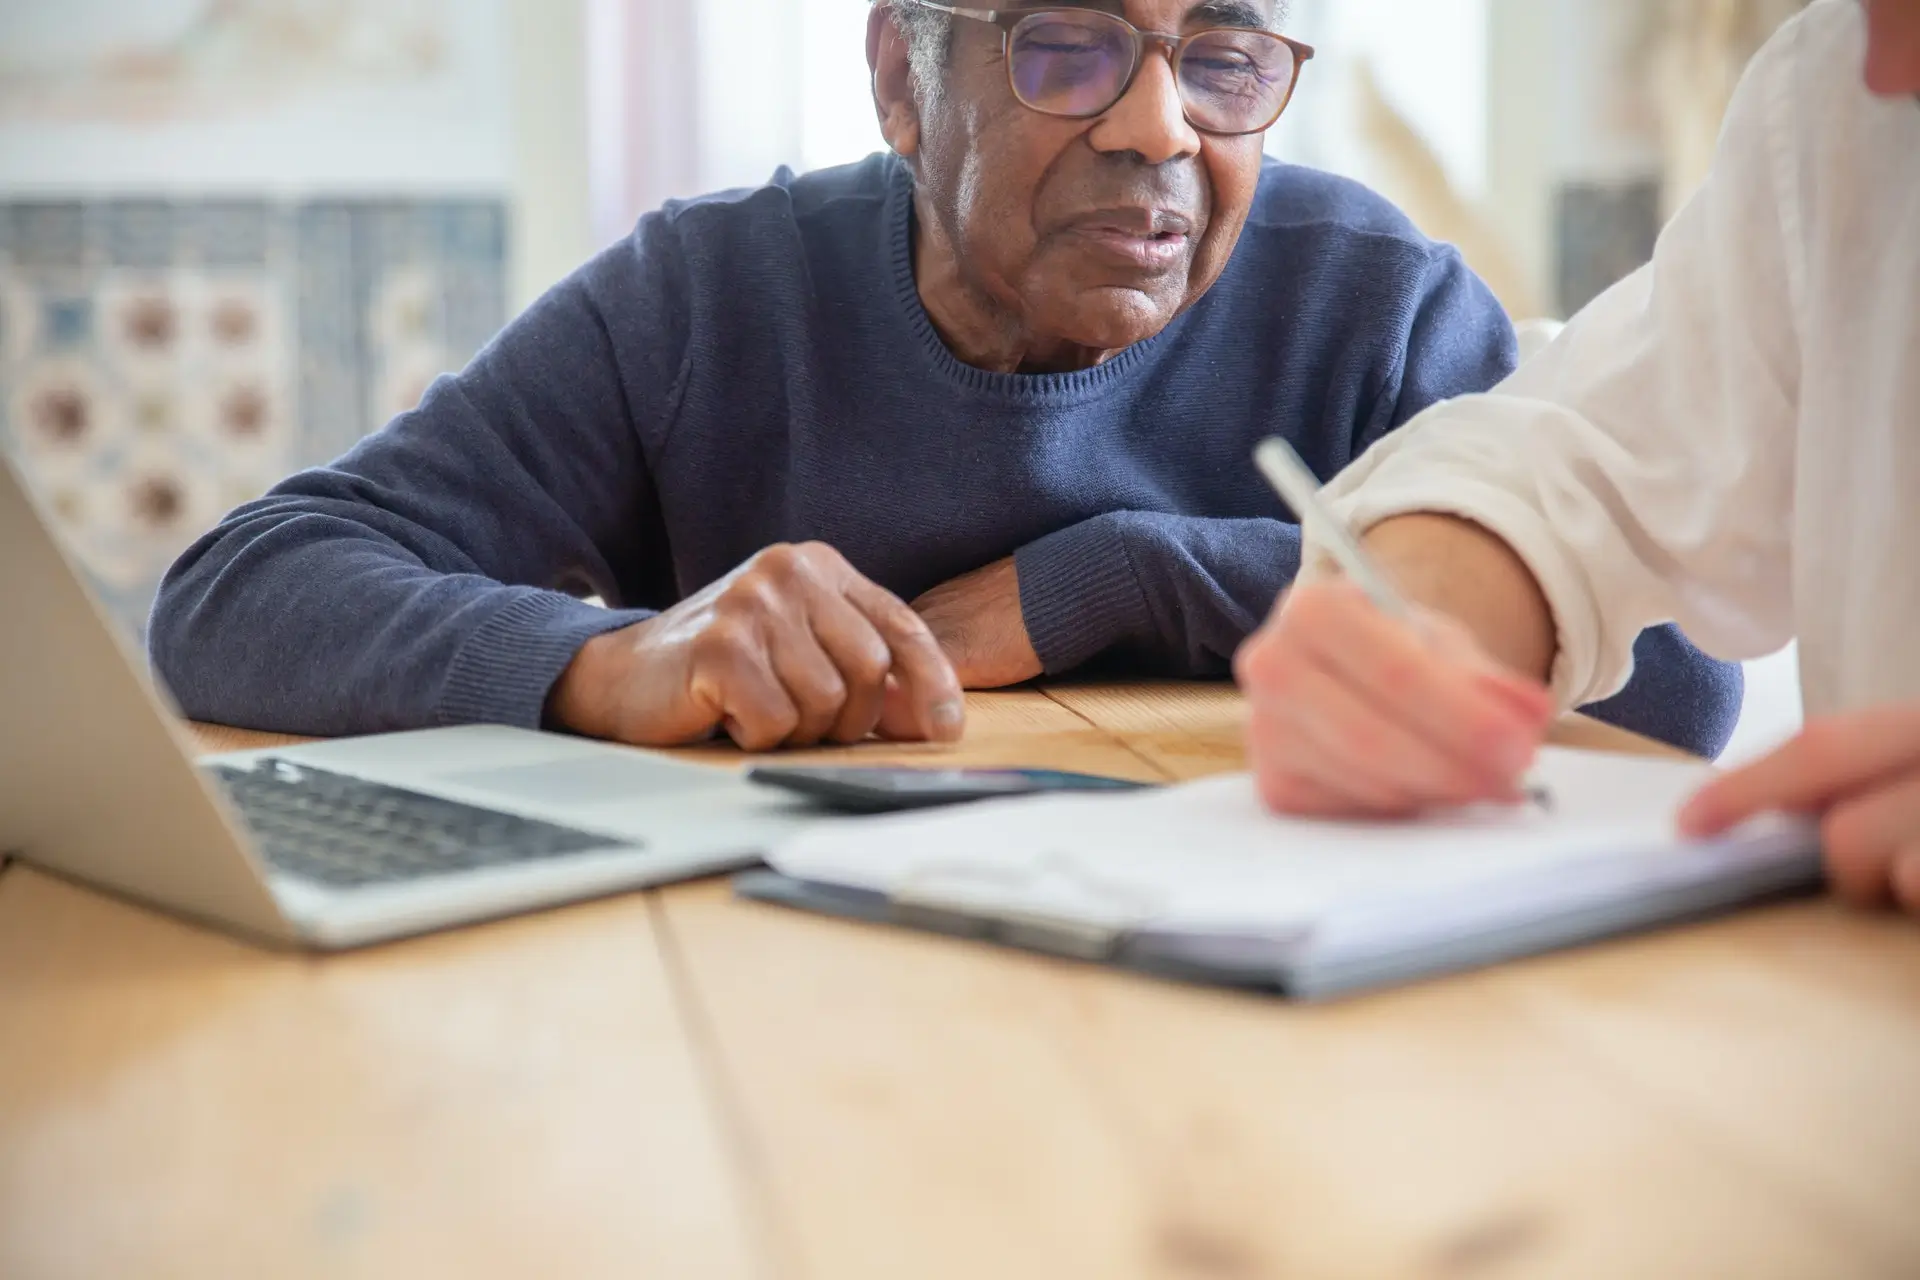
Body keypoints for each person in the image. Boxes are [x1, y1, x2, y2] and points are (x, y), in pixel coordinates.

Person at [151, 0, 1739, 754]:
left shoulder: (1372, 303)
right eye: (1067, 46)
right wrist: (607, 662)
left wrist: (1123, 575)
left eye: (1222, 57)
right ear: (901, 83)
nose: (1160, 127)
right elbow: (235, 591)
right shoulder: (713, 294)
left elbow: (1673, 685)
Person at [1235, 0, 1920, 914]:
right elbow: (1574, 462)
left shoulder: (1371, 280)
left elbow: (1684, 688)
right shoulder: (1839, 97)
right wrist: (1408, 632)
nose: (1878, 51)